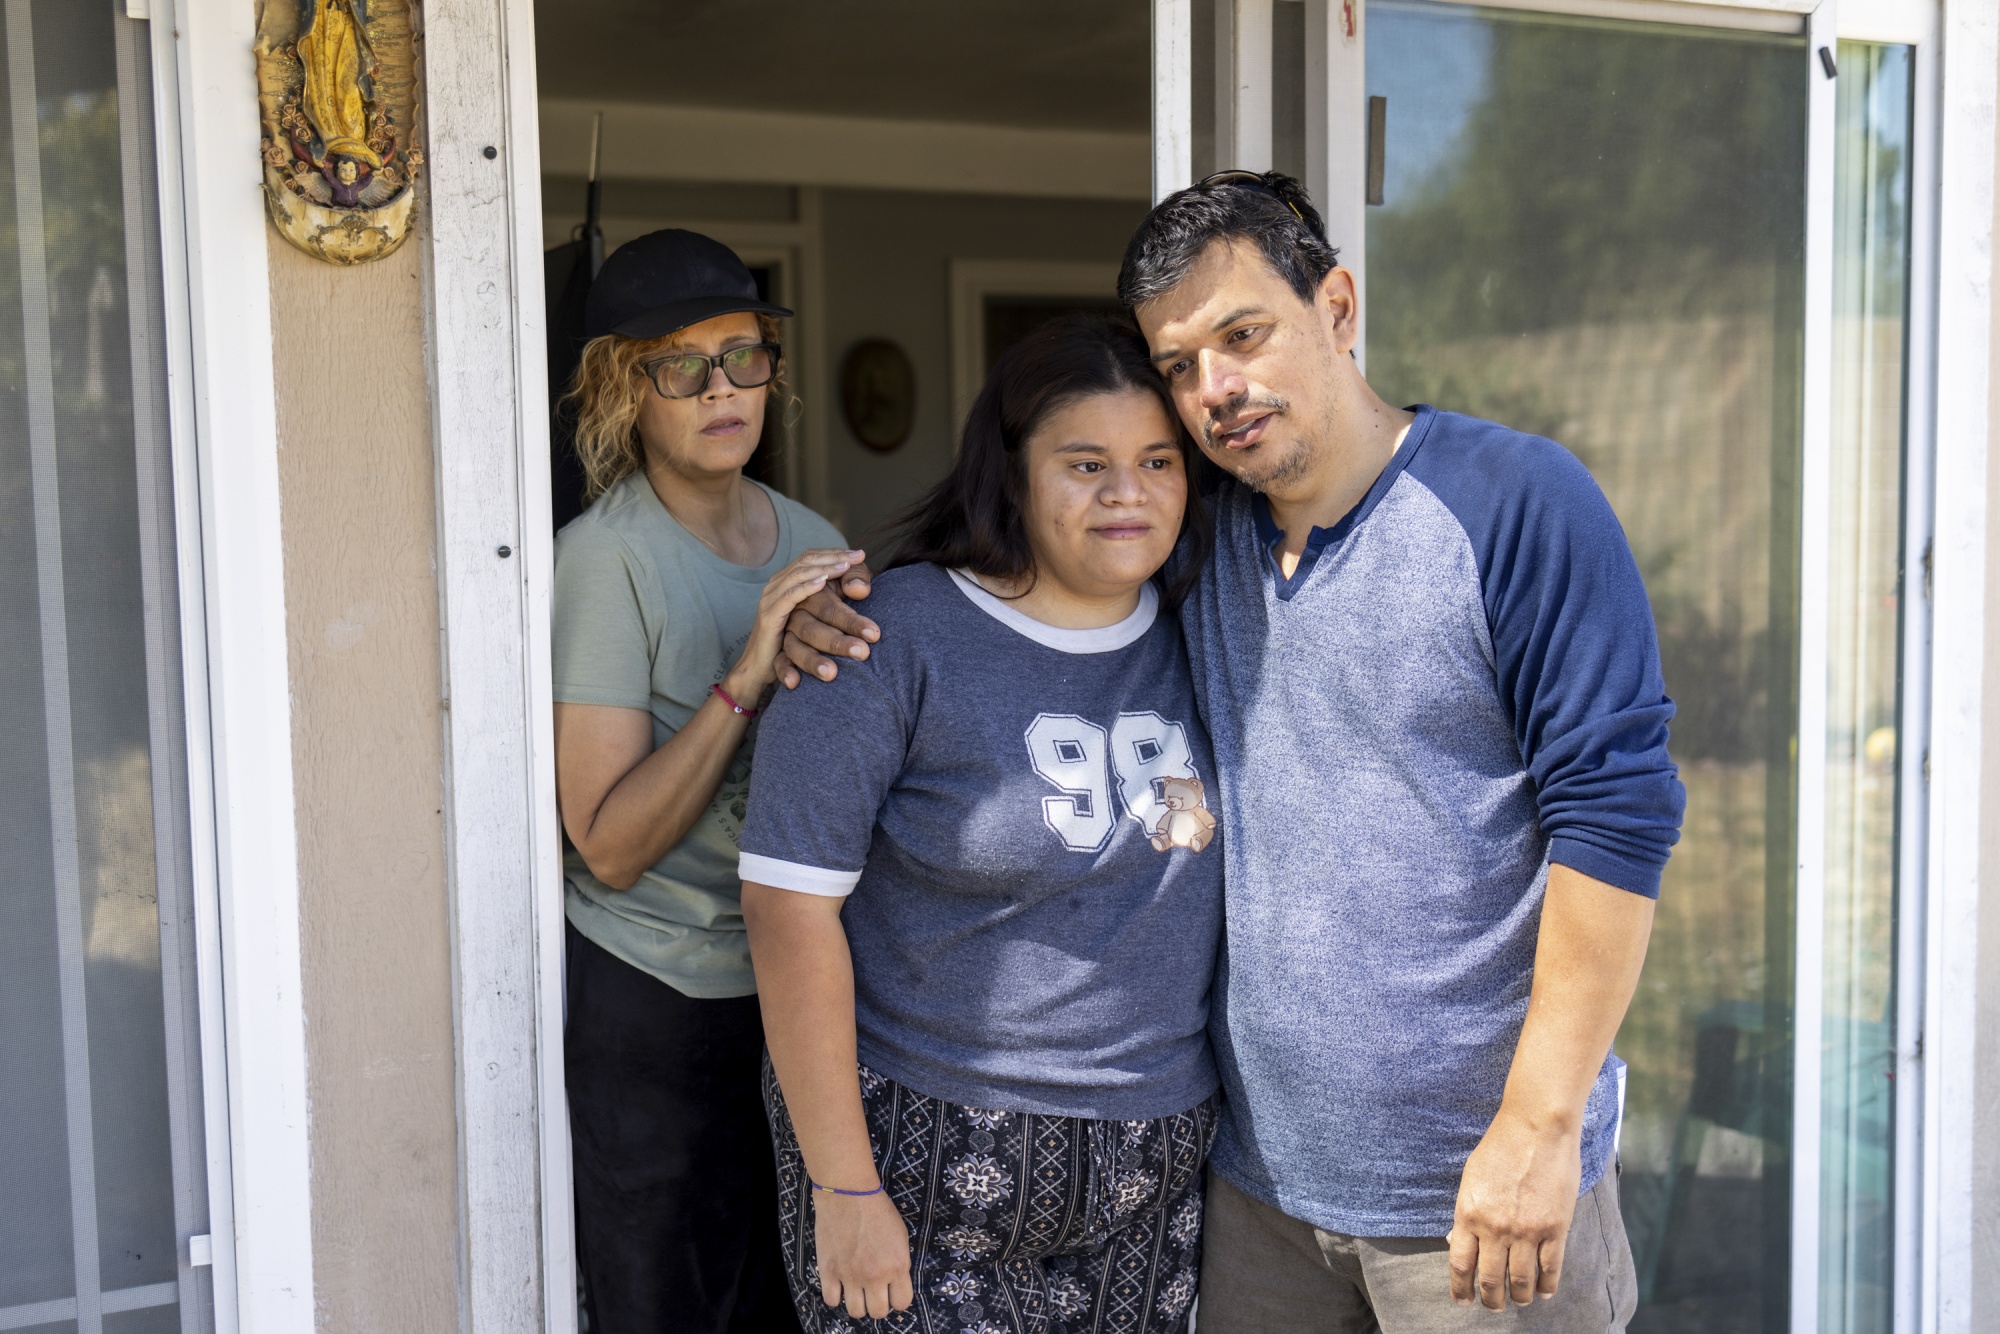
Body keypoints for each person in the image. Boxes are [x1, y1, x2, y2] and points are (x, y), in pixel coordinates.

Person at [780, 174, 1685, 1333]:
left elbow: (1614, 818)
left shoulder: (1512, 503)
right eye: (1177, 363)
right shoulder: (1197, 537)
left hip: (1472, 1199)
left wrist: (1540, 1124)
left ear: (1338, 306)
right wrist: (825, 617)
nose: (1214, 390)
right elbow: (1034, 574)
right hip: (1256, 1199)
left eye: (1242, 334)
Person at [738, 314, 1224, 1332]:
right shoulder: (885, 636)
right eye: (1083, 462)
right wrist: (843, 1187)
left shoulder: (1209, 628)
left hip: (1153, 1183)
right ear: (1010, 472)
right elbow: (786, 911)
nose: (1125, 491)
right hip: (919, 1178)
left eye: (1155, 460)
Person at [552, 228, 863, 1333]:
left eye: (742, 355)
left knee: (788, 1302)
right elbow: (606, 842)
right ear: (622, 389)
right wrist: (748, 668)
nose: (720, 388)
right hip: (654, 998)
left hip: (793, 991)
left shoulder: (816, 538)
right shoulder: (604, 560)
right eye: (680, 366)